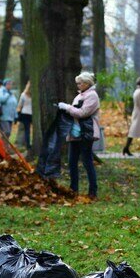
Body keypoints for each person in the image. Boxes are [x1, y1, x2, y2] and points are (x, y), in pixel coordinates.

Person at [58, 71, 100, 199]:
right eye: (77, 83)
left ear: (87, 83)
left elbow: (82, 113)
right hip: (75, 132)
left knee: (87, 161)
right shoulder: (80, 95)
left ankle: (93, 191)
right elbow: (75, 112)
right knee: (72, 162)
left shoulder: (92, 96)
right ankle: (73, 189)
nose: (78, 85)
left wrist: (66, 107)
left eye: (80, 83)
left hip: (85, 133)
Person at [16, 81, 33, 149]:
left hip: (24, 113)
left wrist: (18, 113)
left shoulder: (23, 94)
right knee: (28, 130)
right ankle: (27, 144)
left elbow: (20, 104)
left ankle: (23, 144)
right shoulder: (33, 96)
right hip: (31, 114)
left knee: (24, 129)